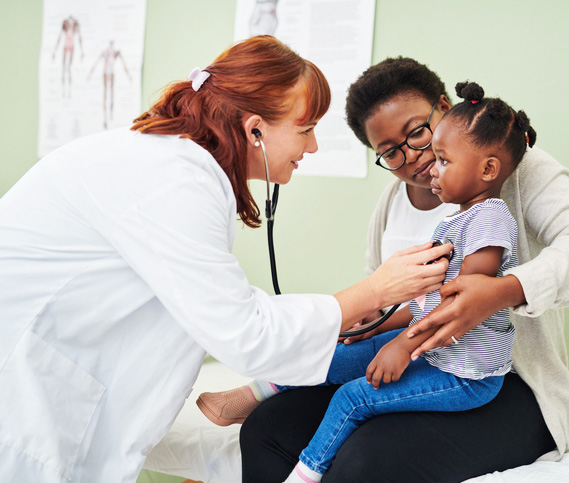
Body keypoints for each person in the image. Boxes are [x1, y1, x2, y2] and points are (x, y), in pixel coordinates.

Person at [0, 38, 452, 482]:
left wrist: (356, 308)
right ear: (256, 129)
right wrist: (374, 291)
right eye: (306, 129)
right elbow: (244, 330)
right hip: (28, 385)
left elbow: (221, 307)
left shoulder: (180, 168)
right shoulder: (174, 180)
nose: (312, 148)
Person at [240, 57, 569, 482]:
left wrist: (504, 290)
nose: (414, 157)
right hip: (420, 358)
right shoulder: (390, 204)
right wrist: (372, 322)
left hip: (501, 380)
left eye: (417, 133)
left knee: (367, 457)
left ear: (444, 108)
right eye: (389, 152)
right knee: (267, 428)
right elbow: (388, 294)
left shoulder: (516, 169)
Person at [197, 81, 528, 483]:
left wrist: (403, 346)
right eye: (390, 151)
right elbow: (423, 297)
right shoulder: (454, 217)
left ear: (488, 169)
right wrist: (371, 322)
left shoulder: (491, 217)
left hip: (464, 373)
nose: (428, 166)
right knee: (335, 351)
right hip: (431, 349)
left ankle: (305, 474)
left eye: (442, 158)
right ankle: (256, 392)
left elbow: (460, 304)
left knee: (352, 397)